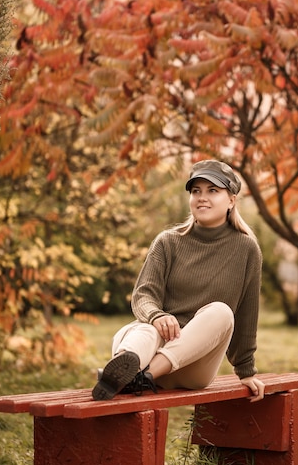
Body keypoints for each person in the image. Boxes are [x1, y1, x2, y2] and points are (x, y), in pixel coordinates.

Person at [92, 159, 265, 402]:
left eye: (212, 191)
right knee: (143, 329)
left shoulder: (246, 249)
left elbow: (247, 314)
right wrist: (157, 315)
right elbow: (144, 295)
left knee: (222, 312)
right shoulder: (168, 242)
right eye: (196, 191)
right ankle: (121, 372)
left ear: (232, 199)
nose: (202, 197)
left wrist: (246, 372)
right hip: (150, 349)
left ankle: (140, 378)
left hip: (193, 367)